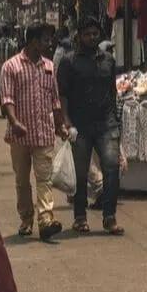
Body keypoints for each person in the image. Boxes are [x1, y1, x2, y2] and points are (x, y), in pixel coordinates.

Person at [56, 17, 124, 235]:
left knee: (112, 168)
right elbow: (62, 95)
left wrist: (116, 120)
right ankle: (80, 217)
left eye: (95, 34)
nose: (92, 37)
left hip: (107, 123)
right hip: (80, 125)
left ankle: (109, 216)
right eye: (87, 34)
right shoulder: (69, 62)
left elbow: (113, 93)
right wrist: (66, 121)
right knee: (81, 173)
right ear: (79, 36)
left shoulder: (109, 61)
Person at [0, 22, 65, 240]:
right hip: (19, 135)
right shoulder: (11, 66)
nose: (49, 44)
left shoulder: (48, 66)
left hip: (44, 133)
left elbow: (55, 99)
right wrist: (14, 120)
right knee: (22, 180)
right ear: (33, 41)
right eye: (45, 40)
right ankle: (26, 219)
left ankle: (45, 220)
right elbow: (7, 98)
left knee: (44, 178)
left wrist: (60, 125)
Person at [0, 28, 17, 104]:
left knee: (0, 89)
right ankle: (8, 104)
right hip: (11, 70)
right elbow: (16, 59)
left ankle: (2, 106)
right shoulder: (14, 44)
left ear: (2, 33)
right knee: (10, 88)